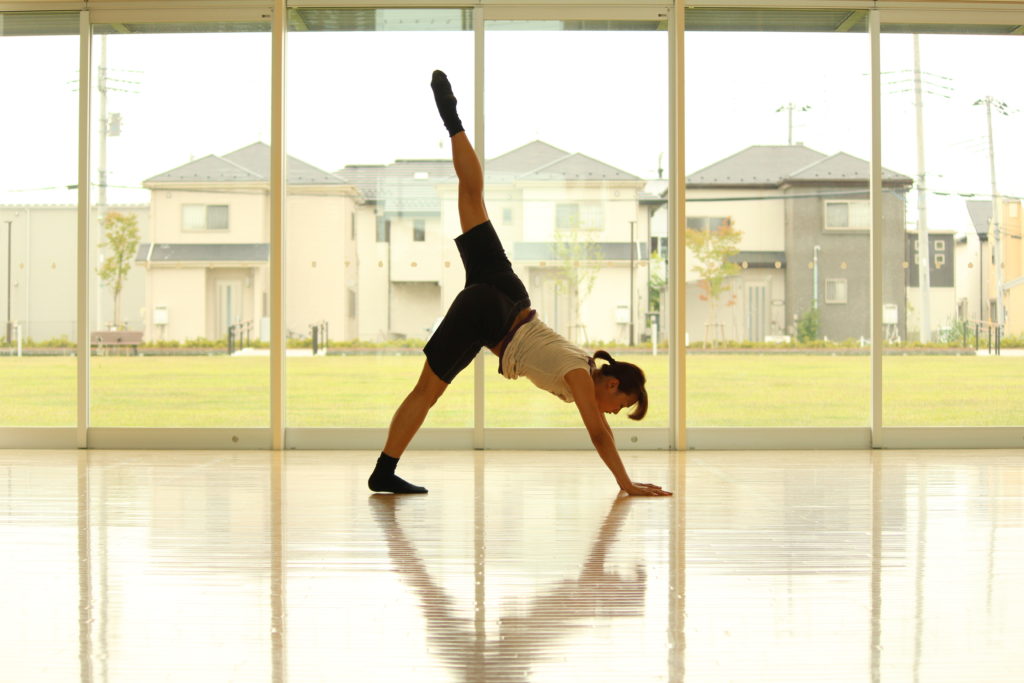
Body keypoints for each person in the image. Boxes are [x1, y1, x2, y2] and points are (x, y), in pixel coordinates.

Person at [366, 70, 671, 498]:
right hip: (492, 317)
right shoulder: (580, 377)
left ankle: (452, 122)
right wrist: (626, 484)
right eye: (619, 406)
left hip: (510, 296)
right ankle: (383, 472)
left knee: (473, 199)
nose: (612, 413)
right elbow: (600, 434)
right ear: (612, 384)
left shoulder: (582, 362)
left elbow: (602, 425)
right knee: (425, 392)